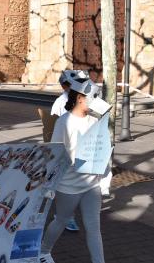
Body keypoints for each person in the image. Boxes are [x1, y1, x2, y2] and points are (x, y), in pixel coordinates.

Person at [40, 77, 109, 263]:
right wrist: (49, 185)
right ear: (80, 97)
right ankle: (43, 251)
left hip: (91, 185)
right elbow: (55, 152)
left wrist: (104, 176)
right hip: (69, 185)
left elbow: (100, 150)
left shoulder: (95, 121)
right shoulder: (64, 122)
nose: (96, 101)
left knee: (94, 227)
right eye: (93, 96)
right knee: (61, 220)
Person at [50, 69, 89, 233]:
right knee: (64, 183)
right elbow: (57, 126)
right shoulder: (62, 101)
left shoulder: (80, 100)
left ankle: (66, 214)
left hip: (80, 147)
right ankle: (64, 216)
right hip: (68, 147)